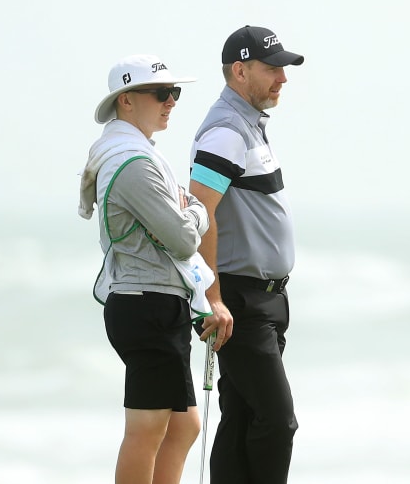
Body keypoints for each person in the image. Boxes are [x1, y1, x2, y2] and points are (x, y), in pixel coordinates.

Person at [78, 54, 214, 484]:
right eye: (161, 93)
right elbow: (183, 237)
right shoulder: (132, 164)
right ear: (126, 101)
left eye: (174, 93)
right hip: (145, 305)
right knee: (147, 429)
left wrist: (183, 207)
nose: (171, 101)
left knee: (184, 424)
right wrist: (195, 207)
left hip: (154, 302)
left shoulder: (133, 155)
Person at [188, 25, 305, 484]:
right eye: (272, 69)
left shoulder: (249, 125)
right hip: (240, 301)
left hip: (264, 299)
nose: (283, 78)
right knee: (277, 421)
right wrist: (213, 299)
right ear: (240, 70)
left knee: (242, 418)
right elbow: (200, 216)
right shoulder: (225, 131)